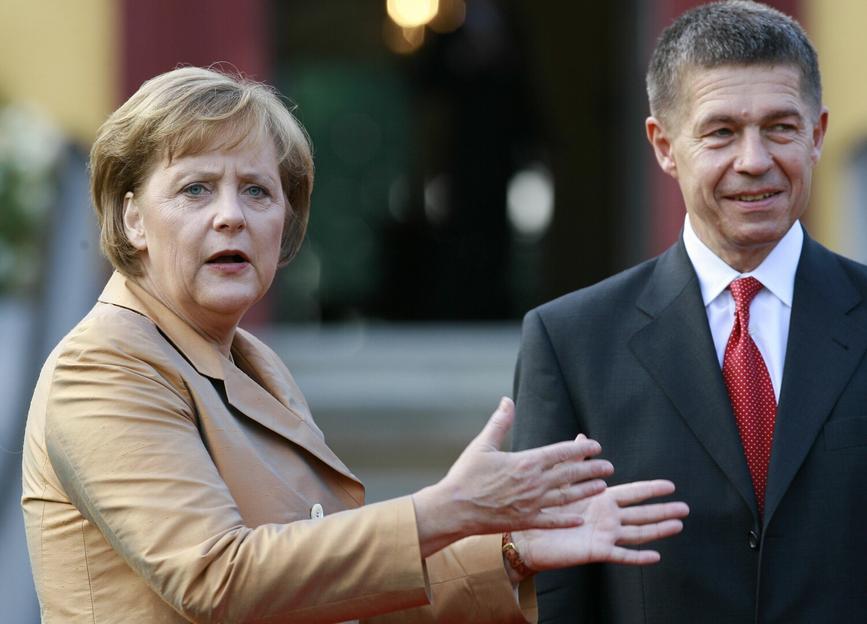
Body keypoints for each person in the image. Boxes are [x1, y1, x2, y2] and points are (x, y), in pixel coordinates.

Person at [20, 67, 689, 624]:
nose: (231, 215)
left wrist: (511, 550)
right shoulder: (103, 364)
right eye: (195, 189)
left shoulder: (255, 363)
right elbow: (216, 578)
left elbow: (341, 586)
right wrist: (444, 511)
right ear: (133, 217)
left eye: (257, 190)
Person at [512, 1, 867, 622]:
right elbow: (555, 589)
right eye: (721, 132)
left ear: (816, 135)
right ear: (664, 145)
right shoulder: (570, 343)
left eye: (780, 127)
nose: (754, 159)